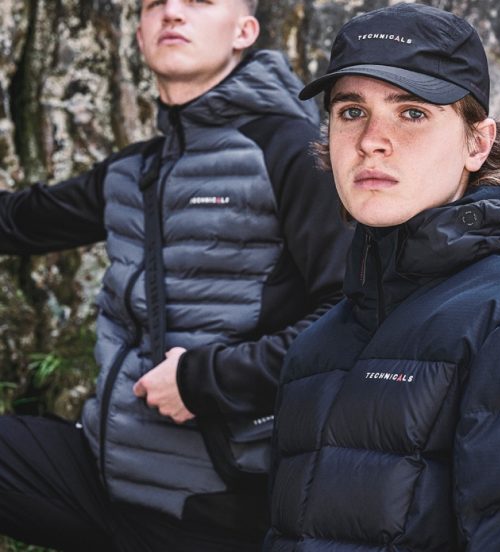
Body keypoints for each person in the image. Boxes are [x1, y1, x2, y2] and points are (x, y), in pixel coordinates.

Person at [0, 1, 351, 551]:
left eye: (199, 1)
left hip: (225, 501)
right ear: (139, 36)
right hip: (107, 474)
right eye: (154, 4)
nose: (171, 13)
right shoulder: (134, 170)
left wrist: (203, 380)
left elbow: (351, 313)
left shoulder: (295, 153)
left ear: (245, 31)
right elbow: (18, 221)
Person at [264, 3, 500, 551]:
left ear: (477, 143)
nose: (372, 139)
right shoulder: (317, 345)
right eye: (352, 111)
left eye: (412, 112)